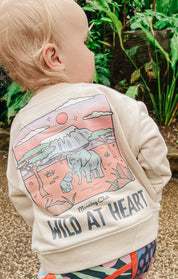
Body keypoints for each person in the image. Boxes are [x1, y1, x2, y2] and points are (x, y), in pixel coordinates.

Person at [0, 0, 171, 278]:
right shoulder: (110, 99)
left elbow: (21, 194)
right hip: (138, 247)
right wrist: (148, 201)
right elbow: (153, 149)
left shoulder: (21, 127)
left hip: (77, 265)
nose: (91, 52)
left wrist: (56, 233)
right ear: (54, 58)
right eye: (85, 43)